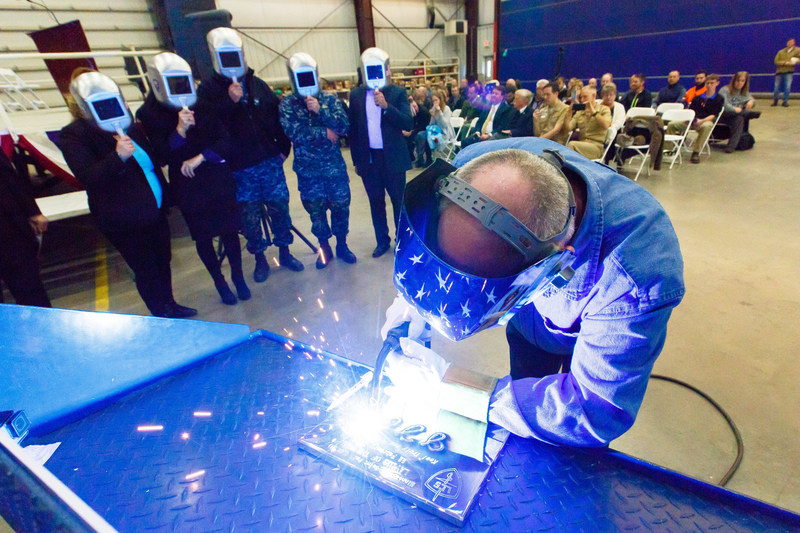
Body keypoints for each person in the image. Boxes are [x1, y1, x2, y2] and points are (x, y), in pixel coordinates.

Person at [381, 138, 684, 447]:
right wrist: (414, 304)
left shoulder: (636, 273)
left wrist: (457, 388)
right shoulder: (475, 166)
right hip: (527, 326)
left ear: (554, 267)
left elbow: (593, 412)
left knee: (566, 443)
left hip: (587, 333)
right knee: (524, 420)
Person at [60, 70, 196, 318]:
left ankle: (169, 304)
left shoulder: (126, 123)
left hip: (153, 210)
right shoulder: (74, 134)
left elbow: (155, 158)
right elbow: (89, 177)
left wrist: (179, 131)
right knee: (145, 269)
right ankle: (160, 314)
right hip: (124, 219)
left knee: (162, 260)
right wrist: (118, 156)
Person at [137, 57, 249, 306]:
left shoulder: (204, 104)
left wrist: (202, 157)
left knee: (231, 229)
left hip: (216, 177)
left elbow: (226, 141)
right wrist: (179, 131)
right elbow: (161, 155)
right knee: (203, 236)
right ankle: (219, 281)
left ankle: (238, 277)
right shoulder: (149, 114)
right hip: (188, 186)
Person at [197, 29, 304, 283]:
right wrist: (229, 101)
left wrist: (283, 149)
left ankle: (285, 252)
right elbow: (207, 127)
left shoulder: (257, 84)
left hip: (270, 162)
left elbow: (276, 118)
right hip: (240, 169)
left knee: (279, 209)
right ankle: (260, 260)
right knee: (250, 218)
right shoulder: (208, 91)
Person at [278, 54, 356, 270]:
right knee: (317, 214)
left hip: (334, 170)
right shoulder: (288, 104)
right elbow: (293, 133)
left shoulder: (330, 100)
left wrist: (320, 111)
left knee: (341, 208)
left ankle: (342, 245)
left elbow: (343, 127)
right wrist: (324, 132)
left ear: (318, 76)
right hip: (309, 172)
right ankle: (325, 249)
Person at [348, 47, 413, 258]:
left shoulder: (398, 93)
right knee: (376, 202)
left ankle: (401, 242)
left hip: (393, 159)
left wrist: (386, 106)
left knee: (398, 203)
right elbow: (354, 130)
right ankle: (382, 241)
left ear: (388, 70)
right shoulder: (356, 95)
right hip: (370, 161)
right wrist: (358, 161)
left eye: (380, 69)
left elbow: (407, 122)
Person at [0, 149, 51, 308]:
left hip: (9, 231)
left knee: (32, 294)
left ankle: (42, 331)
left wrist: (32, 211)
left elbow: (9, 177)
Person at [668, 74, 724, 163]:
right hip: (692, 121)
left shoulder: (719, 98)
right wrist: (690, 119)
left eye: (712, 83)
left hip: (705, 121)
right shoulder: (697, 98)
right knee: (671, 125)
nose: (709, 85)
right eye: (707, 83)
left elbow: (713, 115)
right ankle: (668, 150)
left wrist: (701, 121)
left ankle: (696, 152)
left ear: (717, 83)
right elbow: (691, 111)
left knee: (707, 127)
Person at [461, 82, 513, 148]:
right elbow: (479, 122)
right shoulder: (487, 107)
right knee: (465, 142)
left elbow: (501, 126)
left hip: (494, 136)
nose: (493, 95)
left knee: (483, 145)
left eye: (496, 94)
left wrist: (489, 135)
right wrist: (477, 131)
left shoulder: (505, 109)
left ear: (502, 96)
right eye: (493, 93)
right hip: (480, 135)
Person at [566, 86, 611, 159]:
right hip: (582, 144)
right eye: (581, 97)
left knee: (572, 145)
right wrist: (568, 114)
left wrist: (593, 112)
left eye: (585, 97)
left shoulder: (604, 109)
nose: (582, 100)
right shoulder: (580, 112)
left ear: (594, 96)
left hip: (596, 146)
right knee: (568, 146)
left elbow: (606, 125)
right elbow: (568, 128)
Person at [718, 71, 756, 150]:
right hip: (722, 115)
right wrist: (734, 109)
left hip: (735, 116)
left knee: (740, 118)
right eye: (738, 81)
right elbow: (723, 105)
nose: (740, 83)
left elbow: (752, 99)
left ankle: (731, 146)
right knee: (742, 115)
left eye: (742, 81)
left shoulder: (744, 92)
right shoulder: (725, 90)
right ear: (734, 81)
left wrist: (751, 101)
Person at [406, 88, 431, 167]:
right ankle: (410, 157)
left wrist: (412, 131)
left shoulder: (423, 111)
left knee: (420, 136)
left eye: (415, 106)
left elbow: (424, 126)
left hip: (426, 130)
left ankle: (420, 158)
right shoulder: (411, 112)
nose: (414, 109)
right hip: (416, 129)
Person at [427, 88, 455, 160]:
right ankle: (432, 160)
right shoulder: (433, 109)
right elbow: (431, 125)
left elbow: (445, 124)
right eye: (433, 101)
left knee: (435, 139)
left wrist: (439, 112)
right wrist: (433, 116)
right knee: (427, 137)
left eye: (436, 100)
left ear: (440, 100)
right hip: (436, 131)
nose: (435, 103)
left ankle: (438, 159)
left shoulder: (447, 109)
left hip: (446, 132)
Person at [773, 38, 799, 107]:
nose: (789, 43)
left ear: (794, 43)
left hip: (789, 72)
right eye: (788, 42)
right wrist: (785, 63)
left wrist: (795, 61)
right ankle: (775, 101)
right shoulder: (781, 52)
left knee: (787, 87)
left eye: (791, 42)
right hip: (779, 71)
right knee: (776, 87)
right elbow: (776, 61)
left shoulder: (797, 50)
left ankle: (785, 102)